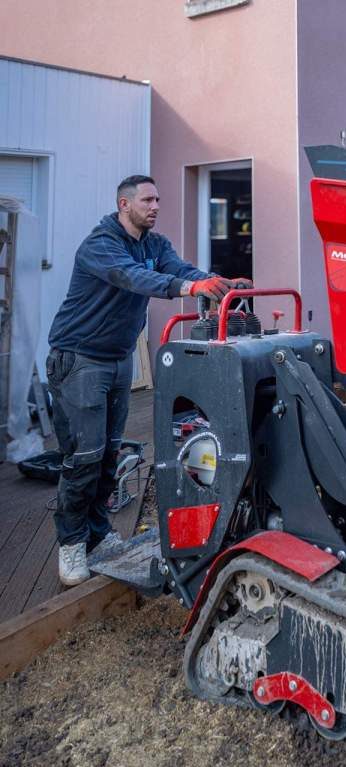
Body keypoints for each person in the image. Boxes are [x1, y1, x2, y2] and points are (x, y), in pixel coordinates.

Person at [46, 175, 249, 586]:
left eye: (158, 199)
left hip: (118, 360)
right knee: (83, 457)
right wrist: (190, 286)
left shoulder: (155, 245)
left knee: (108, 456)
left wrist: (217, 283)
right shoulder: (101, 245)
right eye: (148, 200)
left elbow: (179, 269)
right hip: (80, 359)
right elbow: (132, 277)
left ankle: (97, 537)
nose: (156, 206)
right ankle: (70, 543)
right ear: (124, 204)